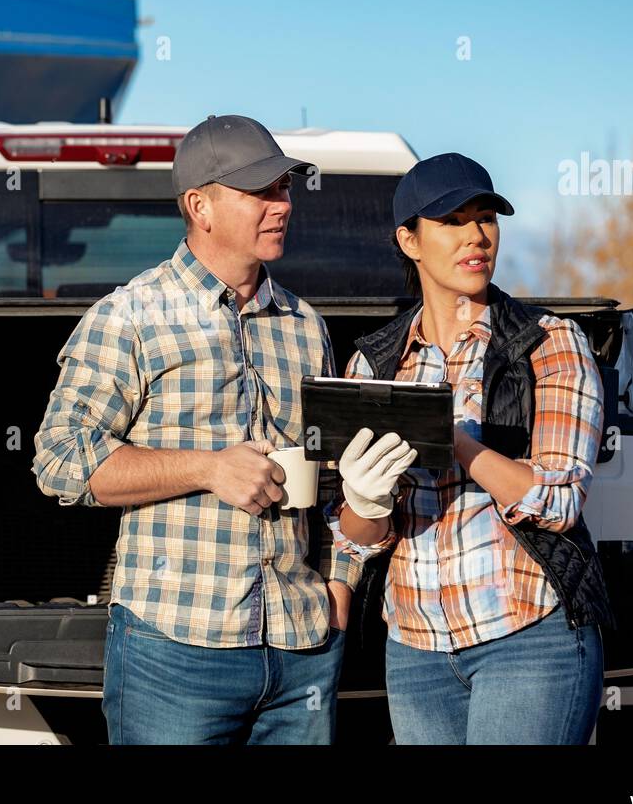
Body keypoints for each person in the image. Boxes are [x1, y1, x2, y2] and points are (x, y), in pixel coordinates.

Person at [32, 114, 395, 744]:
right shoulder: (132, 316)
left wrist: (342, 581)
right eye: (262, 192)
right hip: (173, 649)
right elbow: (60, 459)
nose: (282, 205)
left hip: (301, 648)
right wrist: (207, 467)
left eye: (284, 189)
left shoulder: (306, 325)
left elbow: (338, 476)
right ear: (200, 206)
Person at [327, 152, 616, 744]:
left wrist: (451, 438)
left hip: (530, 639)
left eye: (485, 217)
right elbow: (354, 539)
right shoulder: (373, 363)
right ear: (409, 241)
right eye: (453, 221)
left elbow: (558, 501)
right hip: (415, 652)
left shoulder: (548, 344)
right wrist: (365, 498)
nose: (476, 236)